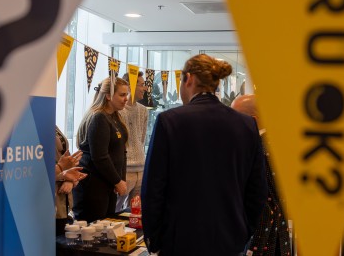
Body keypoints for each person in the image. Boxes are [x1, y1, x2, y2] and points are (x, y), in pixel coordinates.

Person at [141, 54, 268, 256]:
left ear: (188, 79)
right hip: (230, 239)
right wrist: (243, 231)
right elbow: (258, 190)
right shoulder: (247, 125)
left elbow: (153, 189)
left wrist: (154, 240)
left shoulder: (170, 121)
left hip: (179, 240)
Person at [231, 94, 292, 256]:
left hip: (261, 236)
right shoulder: (273, 143)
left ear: (253, 119)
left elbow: (263, 201)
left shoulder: (260, 149)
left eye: (234, 117)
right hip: (274, 232)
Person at [72, 77, 129, 223]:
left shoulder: (116, 117)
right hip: (94, 186)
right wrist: (117, 181)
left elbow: (122, 152)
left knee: (107, 228)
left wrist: (121, 179)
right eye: (122, 95)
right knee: (94, 232)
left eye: (126, 94)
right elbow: (100, 156)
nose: (126, 99)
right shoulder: (99, 117)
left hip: (108, 184)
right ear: (109, 96)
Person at [115, 71, 148, 212]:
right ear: (131, 86)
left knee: (135, 212)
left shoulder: (143, 110)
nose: (145, 88)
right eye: (142, 84)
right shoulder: (118, 110)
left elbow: (142, 138)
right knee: (115, 210)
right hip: (124, 170)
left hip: (140, 169)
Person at [55, 125, 87, 236]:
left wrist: (69, 179)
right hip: (47, 200)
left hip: (63, 200)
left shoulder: (50, 121)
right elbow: (38, 172)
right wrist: (63, 173)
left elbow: (64, 161)